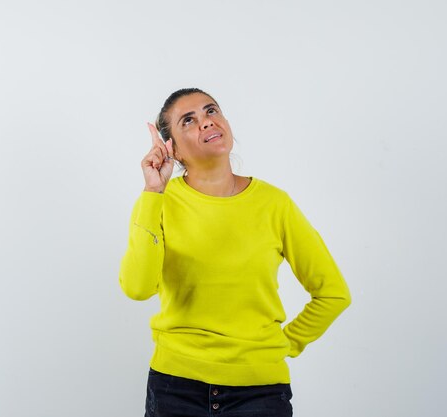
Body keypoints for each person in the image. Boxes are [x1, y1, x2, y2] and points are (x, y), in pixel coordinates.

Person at [118, 88, 352, 417]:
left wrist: (284, 346)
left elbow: (333, 294)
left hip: (260, 393)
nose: (206, 122)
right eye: (189, 120)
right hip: (176, 387)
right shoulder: (157, 202)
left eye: (211, 111)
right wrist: (153, 192)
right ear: (173, 150)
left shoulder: (275, 204)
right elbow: (137, 288)